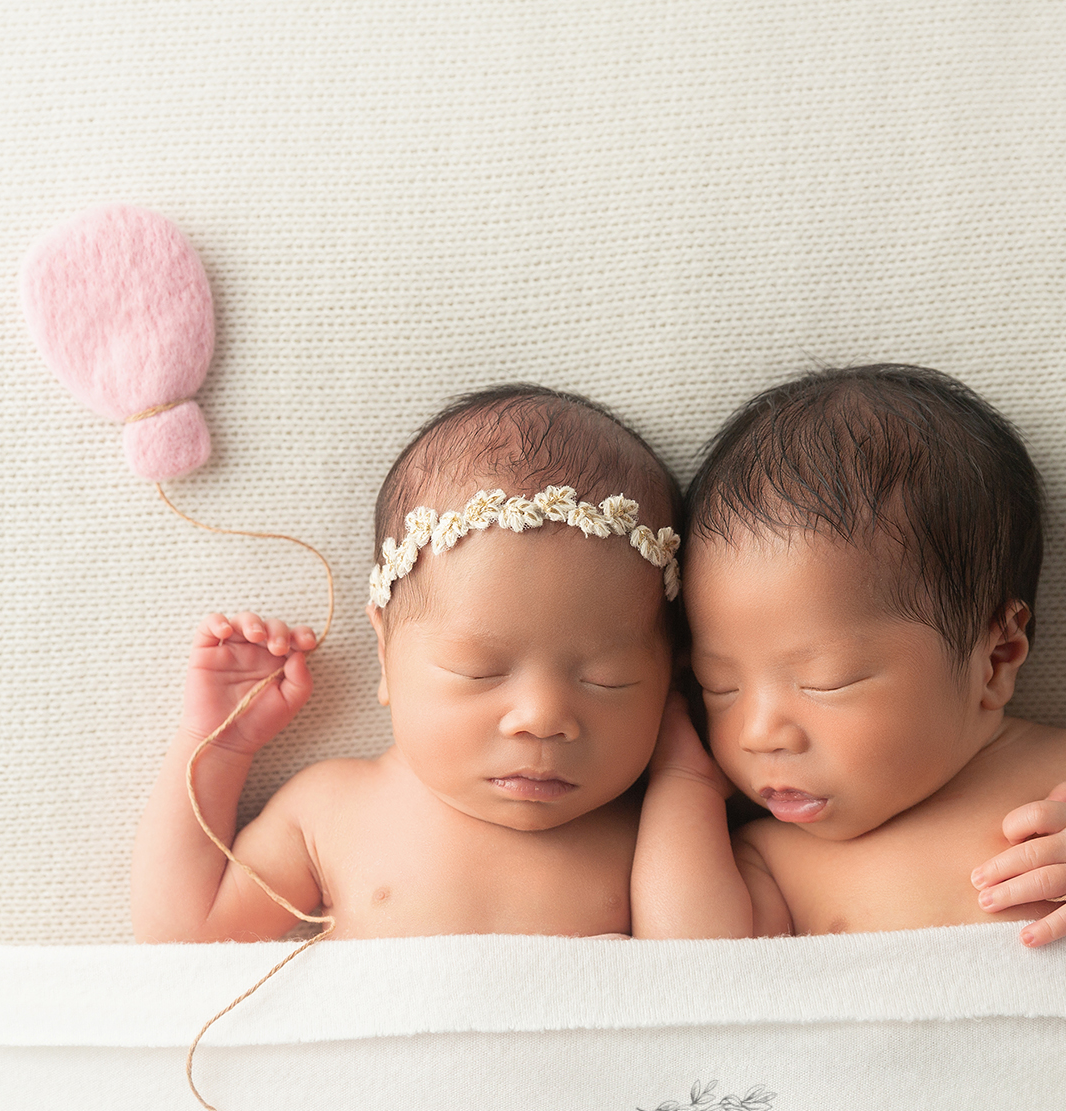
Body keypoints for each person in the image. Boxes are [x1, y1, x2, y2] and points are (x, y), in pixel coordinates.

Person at [630, 365, 1066, 946]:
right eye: (719, 687)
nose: (759, 733)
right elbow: (692, 961)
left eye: (826, 681)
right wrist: (681, 774)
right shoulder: (769, 855)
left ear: (996, 657)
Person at [132, 385, 683, 942]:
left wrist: (692, 779)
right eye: (478, 671)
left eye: (606, 680)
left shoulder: (663, 828)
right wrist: (220, 742)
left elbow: (718, 974)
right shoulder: (335, 809)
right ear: (385, 652)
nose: (541, 717)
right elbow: (183, 939)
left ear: (671, 676)